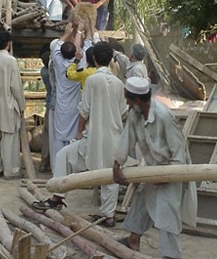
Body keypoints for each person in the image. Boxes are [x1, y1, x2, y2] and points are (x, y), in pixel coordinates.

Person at [32, 41, 128, 228]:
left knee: (63, 156)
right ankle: (108, 215)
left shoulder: (92, 81)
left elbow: (84, 110)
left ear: (93, 58)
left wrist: (78, 132)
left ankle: (58, 196)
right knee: (110, 174)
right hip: (114, 137)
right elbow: (123, 112)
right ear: (109, 60)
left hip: (92, 137)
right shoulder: (118, 83)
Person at [112, 77, 197, 259]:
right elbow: (126, 139)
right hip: (152, 169)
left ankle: (171, 255)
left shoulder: (164, 116)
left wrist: (167, 176)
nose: (126, 101)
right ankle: (133, 239)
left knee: (168, 212)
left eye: (128, 98)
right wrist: (116, 166)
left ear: (137, 99)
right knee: (142, 199)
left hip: (172, 169)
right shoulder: (135, 114)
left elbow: (178, 150)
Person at [0, 30, 26, 180]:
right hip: (7, 104)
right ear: (8, 44)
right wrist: (21, 105)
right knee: (9, 138)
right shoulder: (11, 61)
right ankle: (10, 171)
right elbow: (15, 86)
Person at [51, 19, 93, 167]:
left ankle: (58, 167)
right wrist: (84, 29)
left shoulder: (58, 61)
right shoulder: (80, 64)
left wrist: (67, 33)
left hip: (61, 106)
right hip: (75, 107)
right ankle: (72, 168)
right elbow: (86, 46)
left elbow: (56, 46)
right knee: (73, 138)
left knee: (59, 137)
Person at [38, 50, 52, 173]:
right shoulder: (51, 73)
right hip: (56, 105)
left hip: (49, 103)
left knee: (47, 134)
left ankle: (44, 162)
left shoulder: (43, 71)